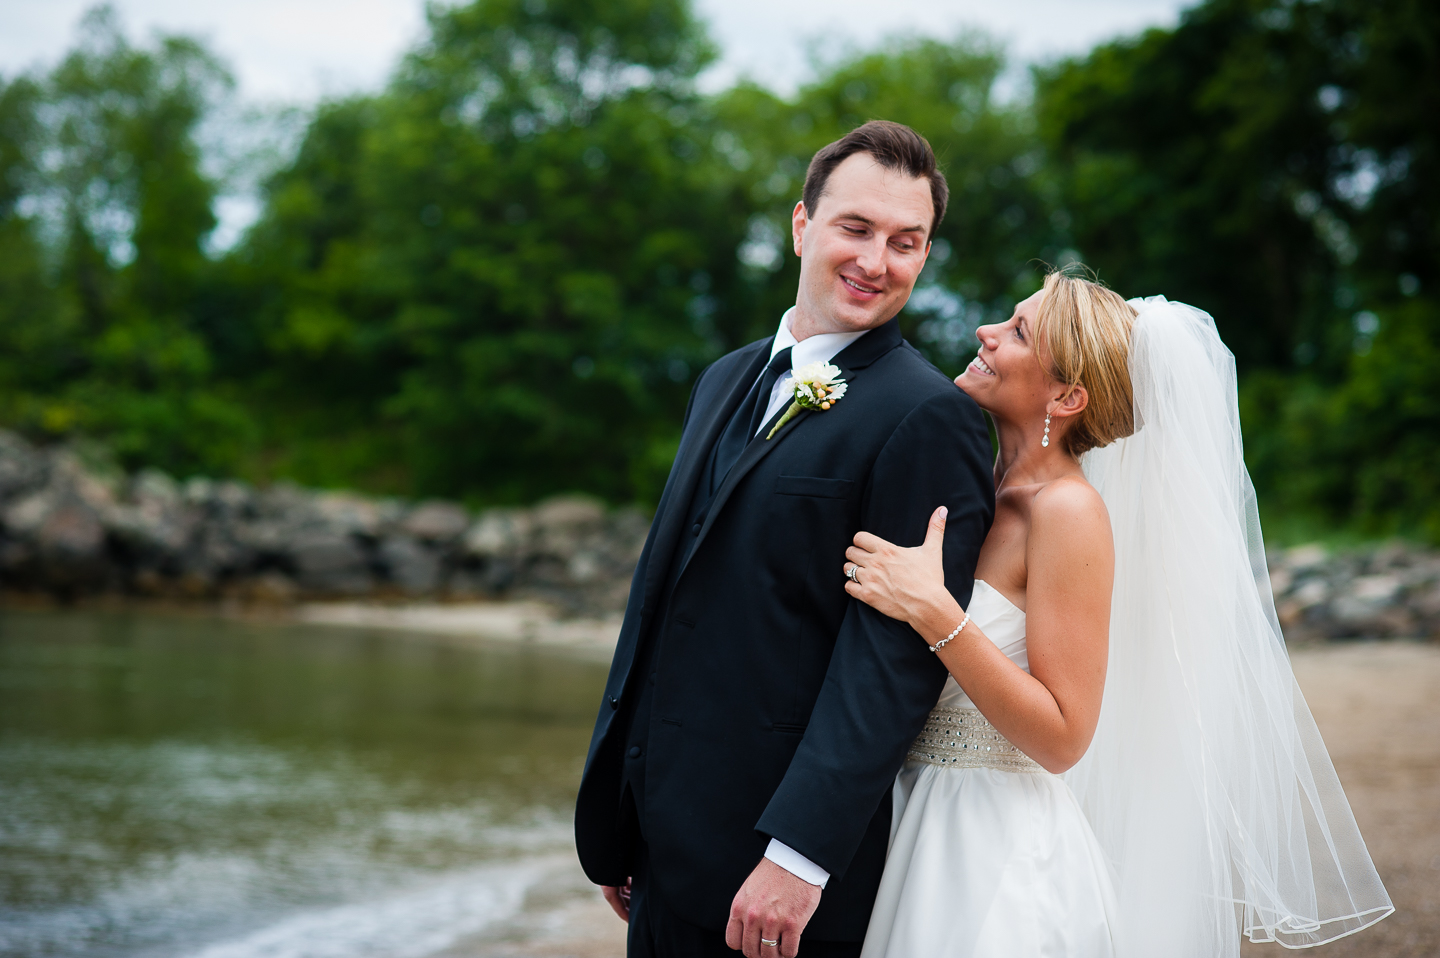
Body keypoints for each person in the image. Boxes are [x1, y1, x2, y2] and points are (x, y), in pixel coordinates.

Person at [843, 269, 1393, 958]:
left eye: (1017, 332)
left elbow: (1065, 735)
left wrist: (935, 614)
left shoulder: (1068, 512)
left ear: (1068, 395)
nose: (985, 332)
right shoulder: (981, 485)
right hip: (911, 811)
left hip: (990, 849)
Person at [573, 120, 995, 958]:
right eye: (856, 229)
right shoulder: (724, 378)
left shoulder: (929, 416)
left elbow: (891, 660)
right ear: (802, 225)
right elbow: (667, 600)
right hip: (659, 844)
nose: (878, 262)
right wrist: (628, 807)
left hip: (776, 874)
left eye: (906, 243)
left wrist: (798, 858)